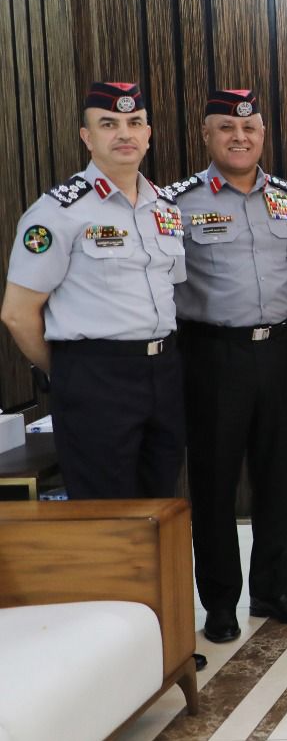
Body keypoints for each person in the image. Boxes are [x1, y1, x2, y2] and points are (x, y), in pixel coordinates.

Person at [168, 88, 287, 643]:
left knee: (277, 477)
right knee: (214, 483)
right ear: (206, 135)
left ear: (262, 136)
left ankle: (273, 588)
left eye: (249, 128)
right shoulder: (176, 204)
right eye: (227, 129)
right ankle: (220, 602)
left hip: (281, 348)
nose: (239, 137)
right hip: (212, 354)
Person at [2, 81, 186, 499]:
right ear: (87, 137)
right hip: (95, 375)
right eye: (108, 124)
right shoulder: (58, 211)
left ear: (148, 134)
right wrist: (68, 370)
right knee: (105, 507)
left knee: (160, 502)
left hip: (163, 370)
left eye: (134, 122)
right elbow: (16, 313)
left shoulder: (165, 208)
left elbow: (170, 288)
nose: (124, 133)